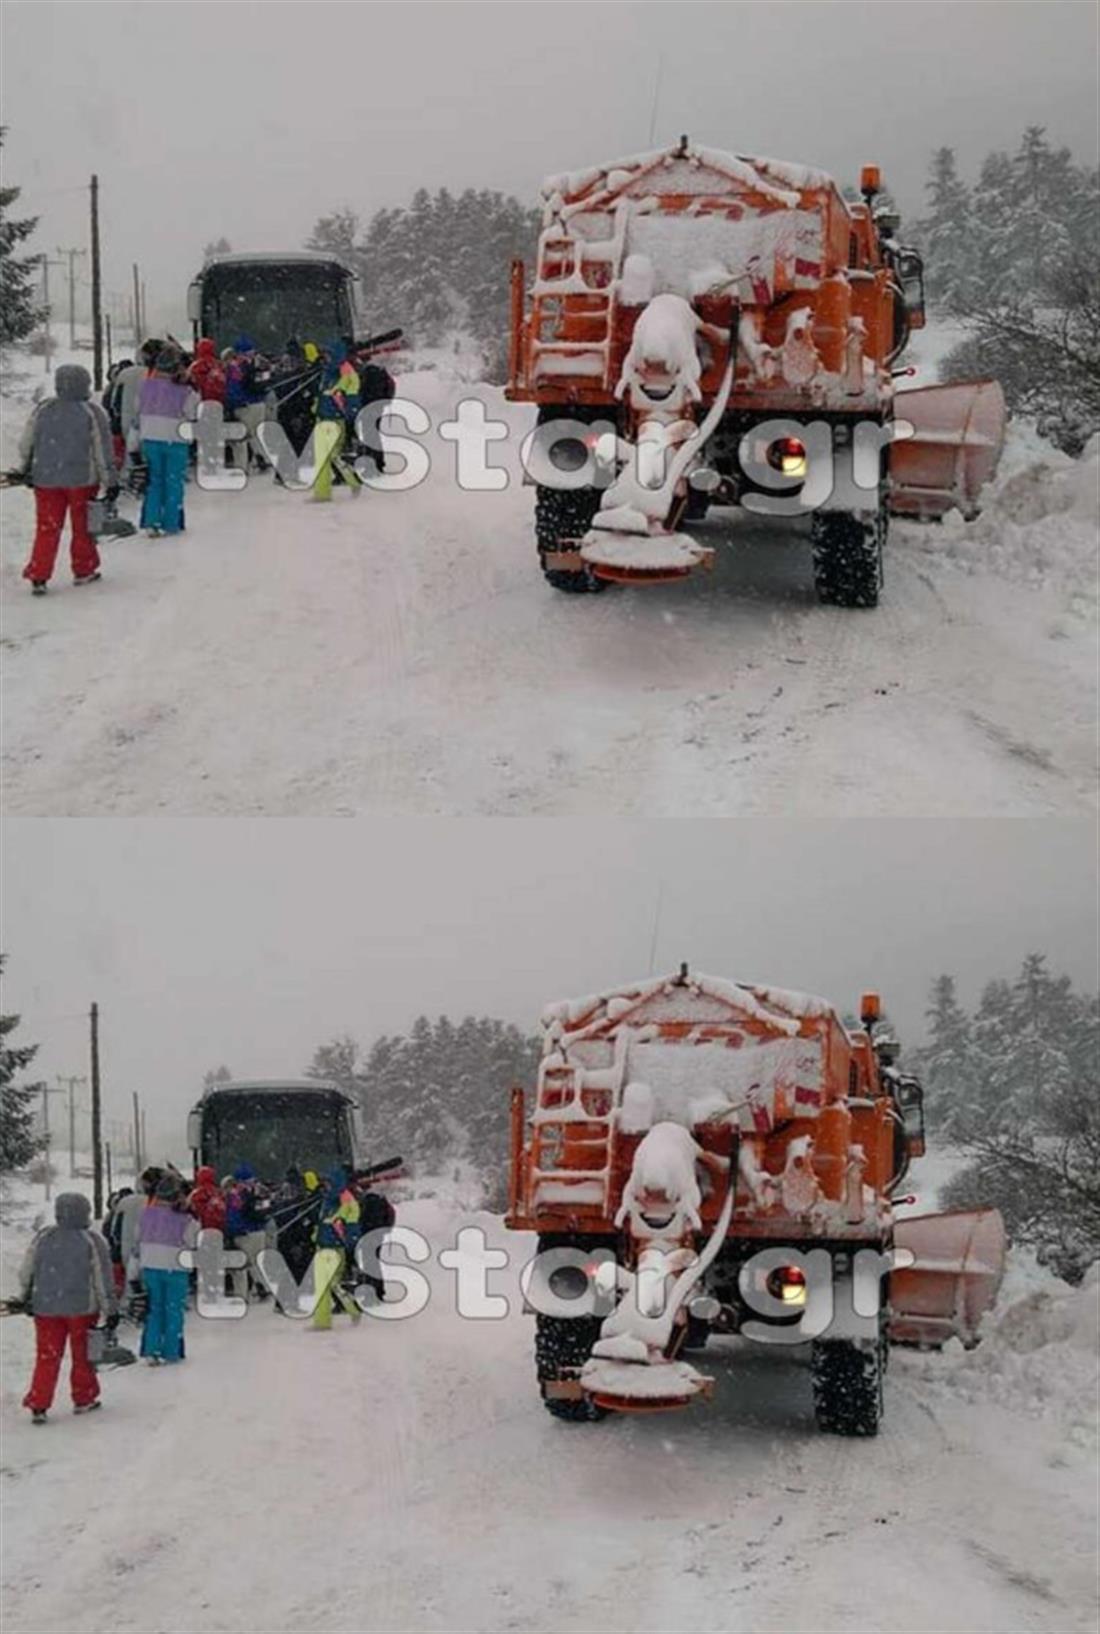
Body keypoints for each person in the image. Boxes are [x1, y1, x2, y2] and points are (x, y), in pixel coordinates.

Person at [17, 363, 118, 594]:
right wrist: (110, 479)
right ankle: (84, 569)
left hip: (46, 479)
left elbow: (27, 442)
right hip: (82, 480)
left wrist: (25, 468)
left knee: (47, 527)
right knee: (83, 527)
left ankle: (39, 573)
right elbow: (102, 449)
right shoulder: (92, 412)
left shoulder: (43, 409)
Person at [18, 1192, 118, 1422]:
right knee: (83, 1356)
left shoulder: (44, 1237)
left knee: (47, 1356)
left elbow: (27, 1270)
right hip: (81, 1308)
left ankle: (39, 1401)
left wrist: (25, 1296)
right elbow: (102, 1278)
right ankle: (84, 1397)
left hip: (46, 1308)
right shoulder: (92, 1241)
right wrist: (110, 1308)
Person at [130, 1171, 197, 1364]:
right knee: (173, 1309)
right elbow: (192, 1241)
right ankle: (171, 1350)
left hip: (150, 1265)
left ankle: (151, 1349)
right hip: (175, 1266)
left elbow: (137, 1241)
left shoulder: (145, 1214)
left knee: (155, 1309)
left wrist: (135, 1269)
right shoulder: (185, 1220)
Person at [133, 349, 198, 538]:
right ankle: (172, 522)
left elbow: (137, 410)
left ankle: (151, 521)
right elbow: (192, 413)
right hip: (175, 438)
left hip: (150, 437)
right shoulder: (185, 391)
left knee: (155, 480)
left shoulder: (145, 386)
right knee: (174, 481)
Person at [311, 1165, 362, 1330]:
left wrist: (347, 1240)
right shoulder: (329, 1199)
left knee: (331, 1283)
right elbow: (322, 1222)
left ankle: (352, 1309)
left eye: (328, 1182)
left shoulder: (345, 1200)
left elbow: (351, 1224)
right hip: (324, 1245)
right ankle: (323, 1321)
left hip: (335, 1246)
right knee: (323, 1285)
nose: (325, 1185)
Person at [311, 339, 362, 502]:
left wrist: (348, 411)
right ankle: (322, 493)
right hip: (323, 417)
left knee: (332, 455)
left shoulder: (346, 372)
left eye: (327, 354)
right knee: (323, 457)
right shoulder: (328, 371)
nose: (324, 357)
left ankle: (352, 481)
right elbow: (322, 394)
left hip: (335, 418)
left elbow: (352, 396)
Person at [224, 336, 273, 471]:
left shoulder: (236, 367)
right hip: (260, 404)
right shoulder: (261, 363)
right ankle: (263, 458)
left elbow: (233, 388)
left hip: (245, 406)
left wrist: (232, 404)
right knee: (255, 434)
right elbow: (267, 383)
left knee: (240, 439)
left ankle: (241, 467)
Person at [224, 1162, 269, 1300]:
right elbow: (266, 1210)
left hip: (244, 1234)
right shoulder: (261, 1191)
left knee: (241, 1267)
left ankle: (242, 1296)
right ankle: (263, 1286)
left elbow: (233, 1216)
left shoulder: (236, 1195)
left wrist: (231, 1232)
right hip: (260, 1232)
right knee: (256, 1263)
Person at [187, 1165, 227, 1233]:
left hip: (202, 1229)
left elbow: (188, 1207)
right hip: (219, 1229)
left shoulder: (197, 1193)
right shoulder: (218, 1192)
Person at [187, 338, 226, 405]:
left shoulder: (196, 365)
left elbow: (189, 381)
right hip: (219, 400)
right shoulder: (218, 364)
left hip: (202, 400)